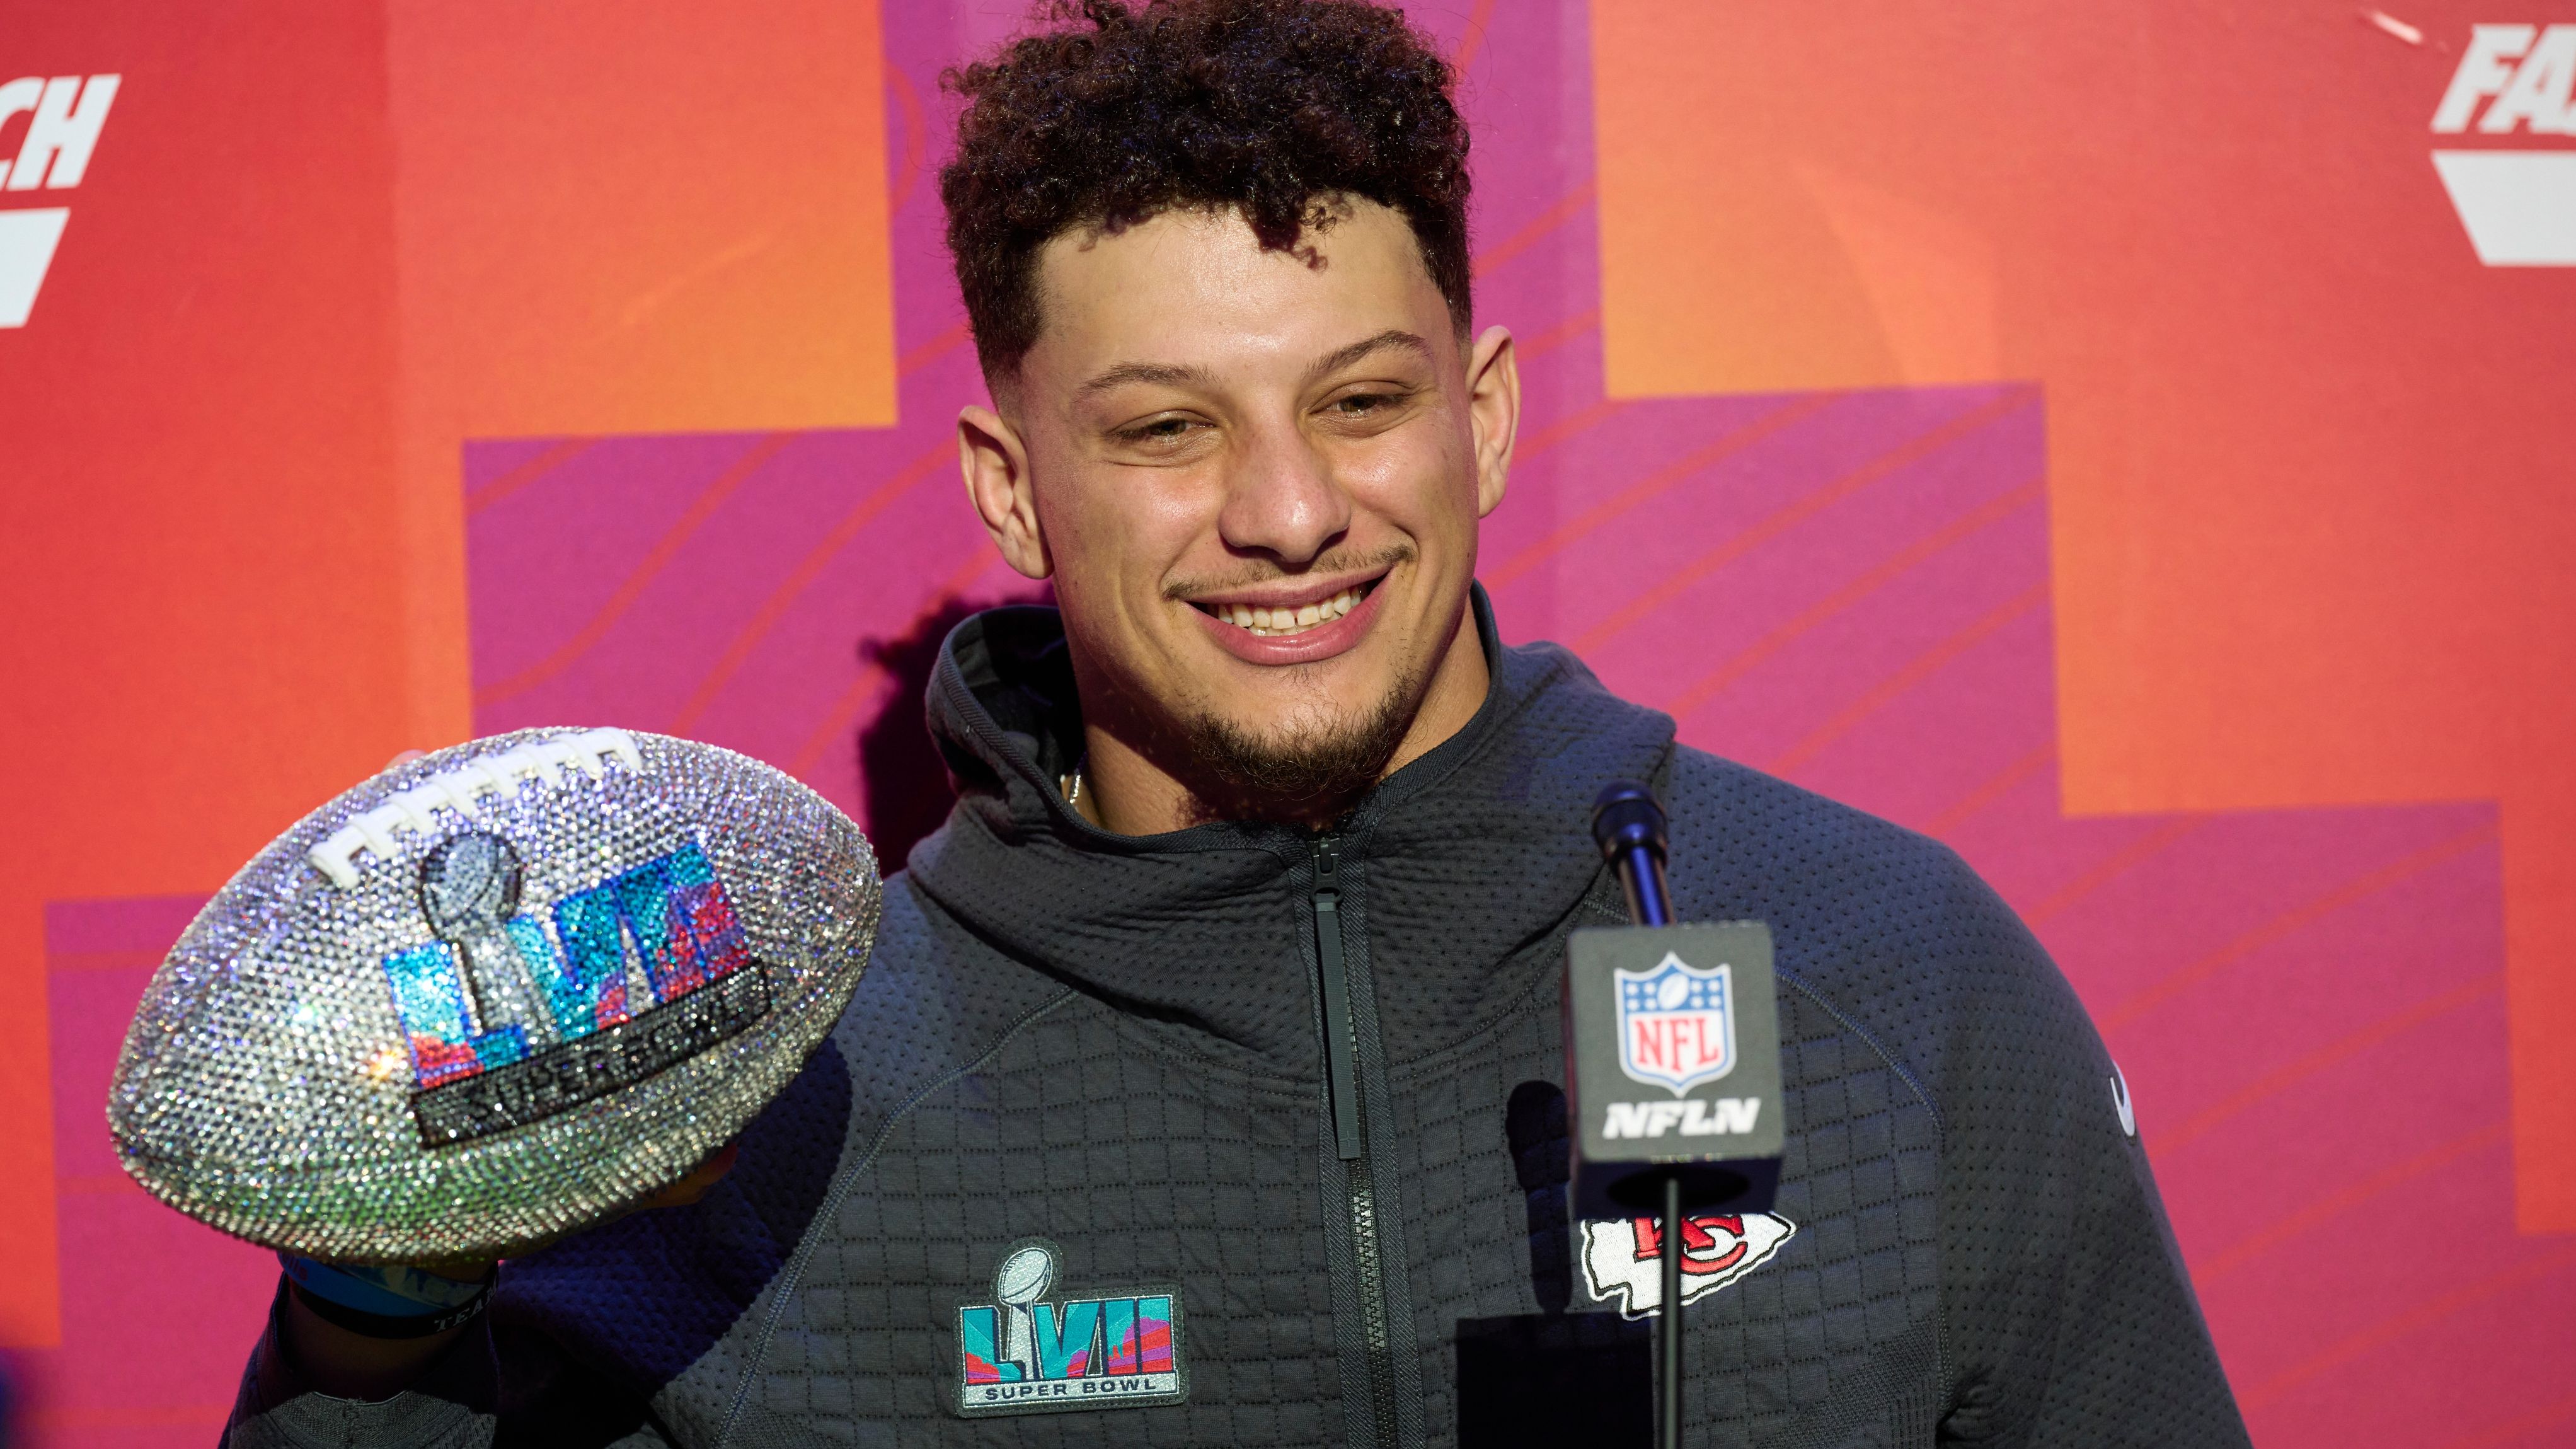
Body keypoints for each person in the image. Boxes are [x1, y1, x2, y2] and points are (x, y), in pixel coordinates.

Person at [226, 1, 2251, 1445]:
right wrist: (376, 1308)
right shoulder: (778, 1080)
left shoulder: (1889, 965)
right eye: (1167, 430)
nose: (1289, 511)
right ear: (1014, 488)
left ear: (1484, 417)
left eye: (1361, 402)